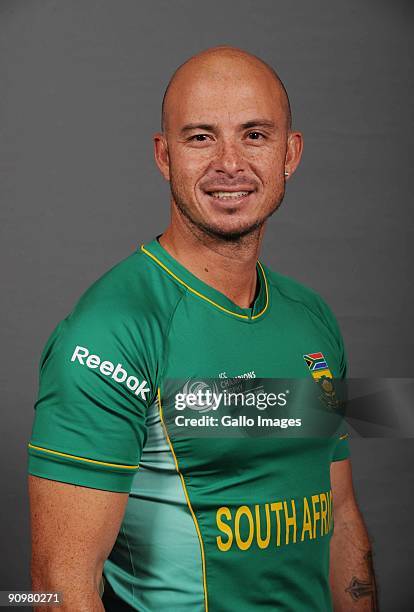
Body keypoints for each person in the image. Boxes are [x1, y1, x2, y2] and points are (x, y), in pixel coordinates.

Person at [28, 46, 378, 611]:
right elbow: (55, 586)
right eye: (200, 137)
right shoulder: (110, 331)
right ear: (164, 156)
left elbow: (339, 514)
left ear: (291, 153)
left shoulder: (311, 316)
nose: (230, 163)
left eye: (255, 135)